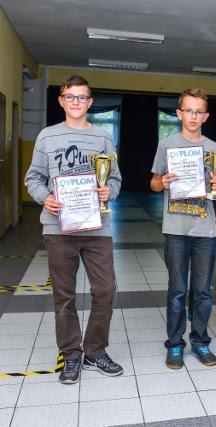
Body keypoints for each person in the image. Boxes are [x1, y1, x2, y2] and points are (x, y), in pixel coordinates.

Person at [24, 75, 123, 384]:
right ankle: (71, 355)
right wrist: (45, 197)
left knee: (105, 290)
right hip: (58, 228)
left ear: (90, 102)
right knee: (64, 295)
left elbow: (115, 178)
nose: (76, 102)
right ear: (61, 100)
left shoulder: (103, 137)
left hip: (97, 228)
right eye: (71, 96)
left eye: (82, 97)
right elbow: (33, 178)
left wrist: (109, 191)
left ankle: (95, 351)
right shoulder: (47, 136)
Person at [150, 88, 216, 369]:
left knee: (203, 291)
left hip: (204, 230)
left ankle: (201, 341)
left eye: (198, 112)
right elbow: (153, 183)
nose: (193, 116)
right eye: (188, 111)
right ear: (179, 113)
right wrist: (163, 182)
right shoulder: (167, 144)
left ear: (206, 116)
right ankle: (175, 344)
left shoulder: (214, 148)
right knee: (177, 290)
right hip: (176, 229)